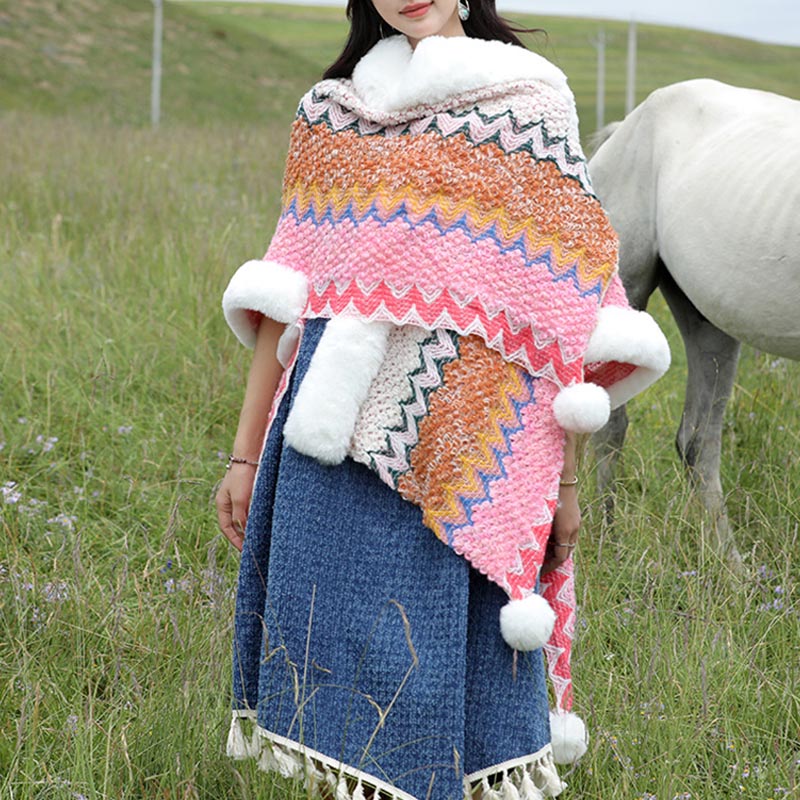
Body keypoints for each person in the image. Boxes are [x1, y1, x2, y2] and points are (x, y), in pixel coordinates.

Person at [216, 0, 670, 798]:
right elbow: (288, 295)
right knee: (332, 692)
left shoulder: (530, 106)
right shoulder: (332, 112)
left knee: (435, 703)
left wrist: (562, 487)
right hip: (324, 451)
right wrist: (246, 455)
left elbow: (566, 319)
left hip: (466, 451)